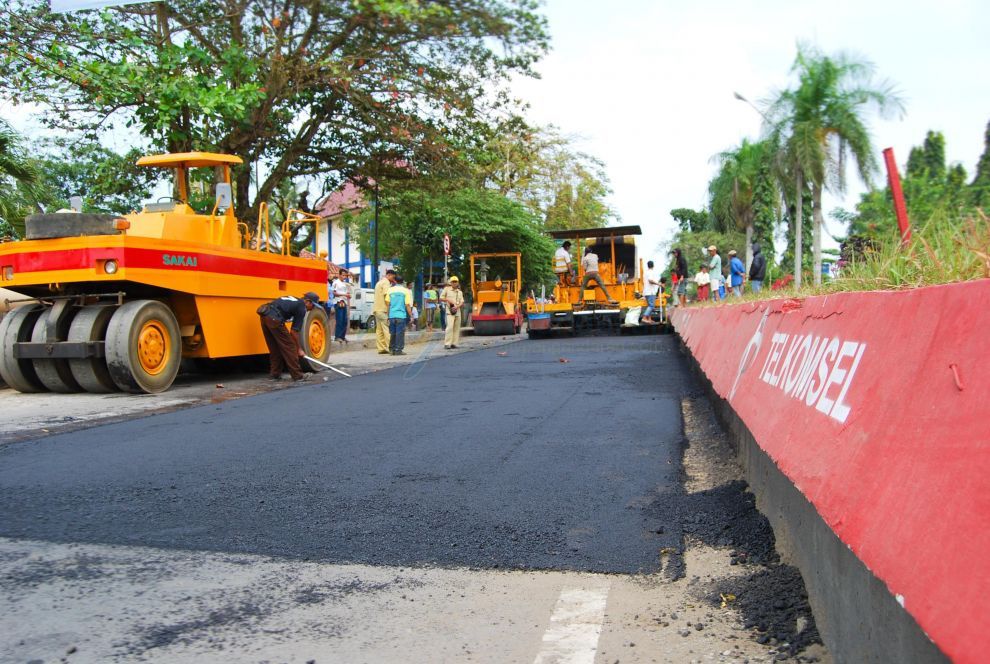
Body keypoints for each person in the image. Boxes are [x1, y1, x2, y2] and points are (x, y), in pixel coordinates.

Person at [257, 292, 319, 382]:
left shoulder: (296, 300)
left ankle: (275, 374)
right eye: (313, 306)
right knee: (290, 347)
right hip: (274, 319)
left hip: (265, 315)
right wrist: (299, 349)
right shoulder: (302, 308)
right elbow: (294, 331)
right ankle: (298, 376)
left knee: (275, 347)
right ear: (308, 302)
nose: (313, 308)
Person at [386, 275, 413, 355]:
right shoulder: (406, 291)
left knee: (393, 333)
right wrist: (411, 315)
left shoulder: (390, 290)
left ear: (395, 281)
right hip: (401, 315)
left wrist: (388, 315)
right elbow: (407, 305)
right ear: (403, 282)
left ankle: (392, 349)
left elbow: (388, 304)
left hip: (392, 315)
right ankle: (398, 350)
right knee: (400, 333)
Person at [373, 269, 396, 354]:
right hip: (383, 309)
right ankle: (391, 347)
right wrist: (390, 308)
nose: (393, 280)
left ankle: (381, 348)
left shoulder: (379, 282)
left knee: (379, 330)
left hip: (376, 309)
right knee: (387, 329)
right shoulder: (386, 283)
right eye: (392, 277)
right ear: (389, 275)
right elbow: (387, 297)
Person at [441, 275, 464, 349]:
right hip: (449, 311)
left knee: (457, 328)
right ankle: (447, 344)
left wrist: (457, 306)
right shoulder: (446, 289)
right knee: (450, 327)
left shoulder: (459, 292)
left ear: (458, 283)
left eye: (456, 282)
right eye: (453, 282)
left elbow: (462, 301)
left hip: (457, 311)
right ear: (450, 283)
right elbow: (441, 298)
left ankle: (454, 343)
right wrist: (448, 300)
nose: (454, 283)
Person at [330, 269, 351, 344]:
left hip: (344, 302)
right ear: (339, 275)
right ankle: (337, 337)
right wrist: (345, 295)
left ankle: (342, 336)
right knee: (339, 320)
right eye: (343, 275)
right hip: (338, 302)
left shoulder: (344, 283)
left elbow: (345, 293)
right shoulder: (336, 282)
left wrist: (348, 296)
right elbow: (334, 293)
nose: (344, 277)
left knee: (345, 320)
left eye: (345, 275)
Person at [641, 259, 660, 324]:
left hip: (646, 291)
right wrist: (658, 284)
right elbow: (650, 280)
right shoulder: (651, 272)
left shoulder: (645, 272)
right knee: (651, 306)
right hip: (651, 291)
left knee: (649, 305)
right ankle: (644, 317)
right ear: (653, 265)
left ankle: (649, 319)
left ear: (647, 266)